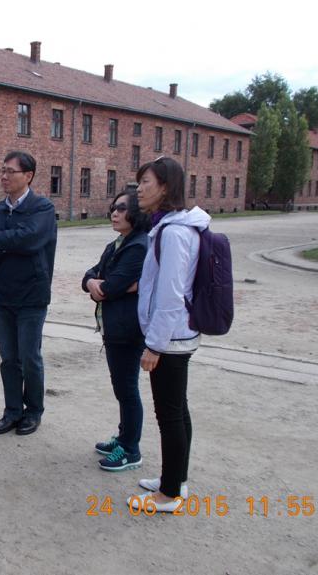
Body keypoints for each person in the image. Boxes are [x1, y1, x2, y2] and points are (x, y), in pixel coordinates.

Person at [129, 156, 210, 513]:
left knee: (169, 414)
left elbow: (171, 294)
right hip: (176, 335)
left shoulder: (175, 232)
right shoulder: (168, 226)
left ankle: (169, 495)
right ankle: (175, 479)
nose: (139, 189)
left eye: (145, 182)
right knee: (178, 409)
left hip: (171, 338)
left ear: (165, 187)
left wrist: (154, 345)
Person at [0, 151, 57, 436]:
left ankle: (33, 412)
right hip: (2, 296)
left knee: (30, 357)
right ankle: (12, 412)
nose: (4, 176)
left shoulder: (42, 208)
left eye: (11, 171)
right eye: (3, 171)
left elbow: (32, 238)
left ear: (29, 175)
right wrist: (8, 242)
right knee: (9, 358)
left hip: (32, 296)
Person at [82, 190, 149, 471]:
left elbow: (111, 286)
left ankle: (131, 449)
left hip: (128, 330)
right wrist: (93, 285)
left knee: (127, 388)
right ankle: (123, 437)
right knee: (121, 387)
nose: (114, 213)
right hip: (114, 327)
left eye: (122, 208)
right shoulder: (116, 245)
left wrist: (101, 287)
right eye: (113, 207)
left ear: (136, 212)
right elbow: (90, 274)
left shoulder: (138, 246)